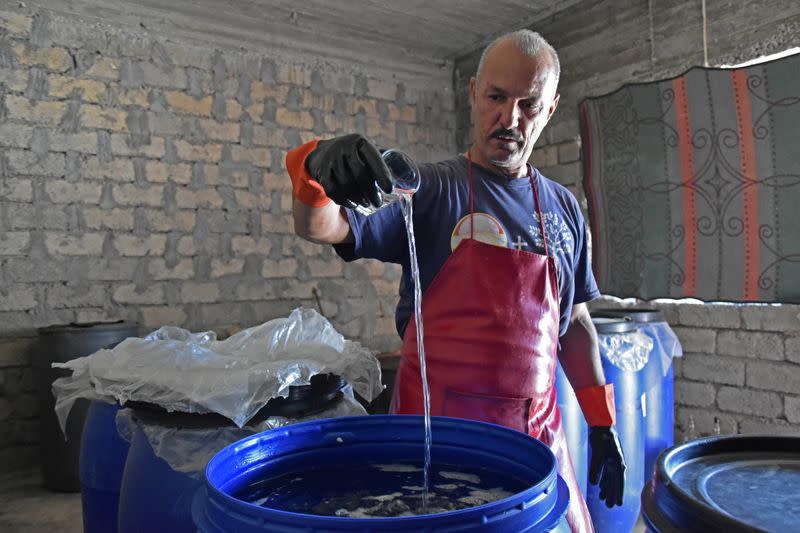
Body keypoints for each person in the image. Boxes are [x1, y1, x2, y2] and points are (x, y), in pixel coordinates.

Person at [285, 29, 625, 533]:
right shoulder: (429, 190)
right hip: (432, 449)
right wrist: (313, 170)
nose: (509, 118)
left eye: (528, 104)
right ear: (473, 94)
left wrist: (601, 421)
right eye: (496, 97)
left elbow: (572, 322)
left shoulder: (564, 209)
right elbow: (322, 226)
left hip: (538, 449)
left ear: (549, 111)